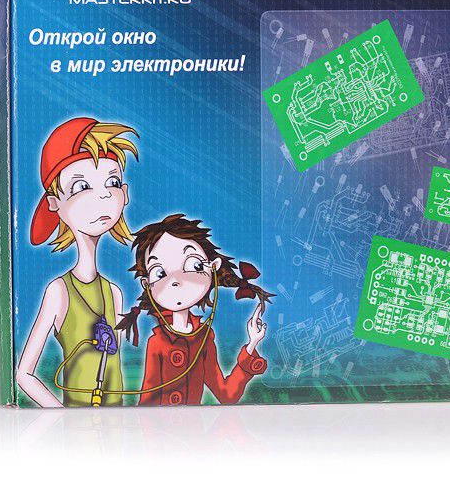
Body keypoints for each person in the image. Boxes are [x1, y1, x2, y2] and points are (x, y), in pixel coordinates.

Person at [17, 117, 138, 407]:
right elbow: (23, 374)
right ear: (54, 203)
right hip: (77, 426)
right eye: (82, 186)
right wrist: (61, 416)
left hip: (118, 424)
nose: (104, 194)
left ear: (124, 193)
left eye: (112, 182)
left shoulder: (114, 293)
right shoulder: (59, 291)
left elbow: (115, 367)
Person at [117, 214, 272, 406]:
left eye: (194, 265)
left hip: (195, 424)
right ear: (146, 284)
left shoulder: (204, 339)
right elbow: (147, 400)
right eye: (160, 273)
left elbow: (226, 395)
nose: (175, 280)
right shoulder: (157, 342)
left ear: (213, 267)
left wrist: (252, 343)